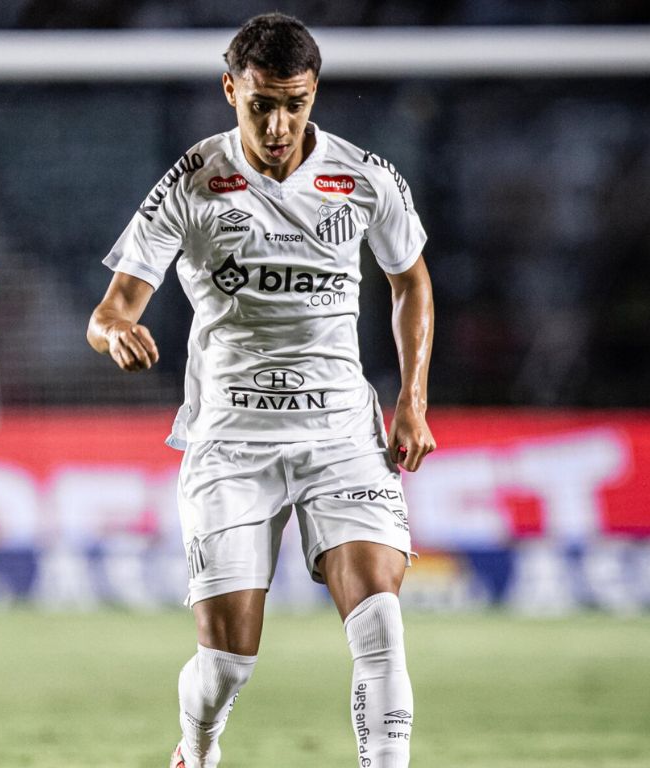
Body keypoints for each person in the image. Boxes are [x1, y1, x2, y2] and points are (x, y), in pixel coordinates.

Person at [86, 13, 435, 768]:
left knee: (380, 628)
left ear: (314, 94)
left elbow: (410, 280)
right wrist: (116, 332)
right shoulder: (191, 181)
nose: (278, 124)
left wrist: (412, 399)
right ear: (229, 90)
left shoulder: (365, 177)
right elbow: (111, 309)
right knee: (227, 663)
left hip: (341, 434)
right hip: (231, 443)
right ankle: (198, 750)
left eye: (295, 103)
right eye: (260, 104)